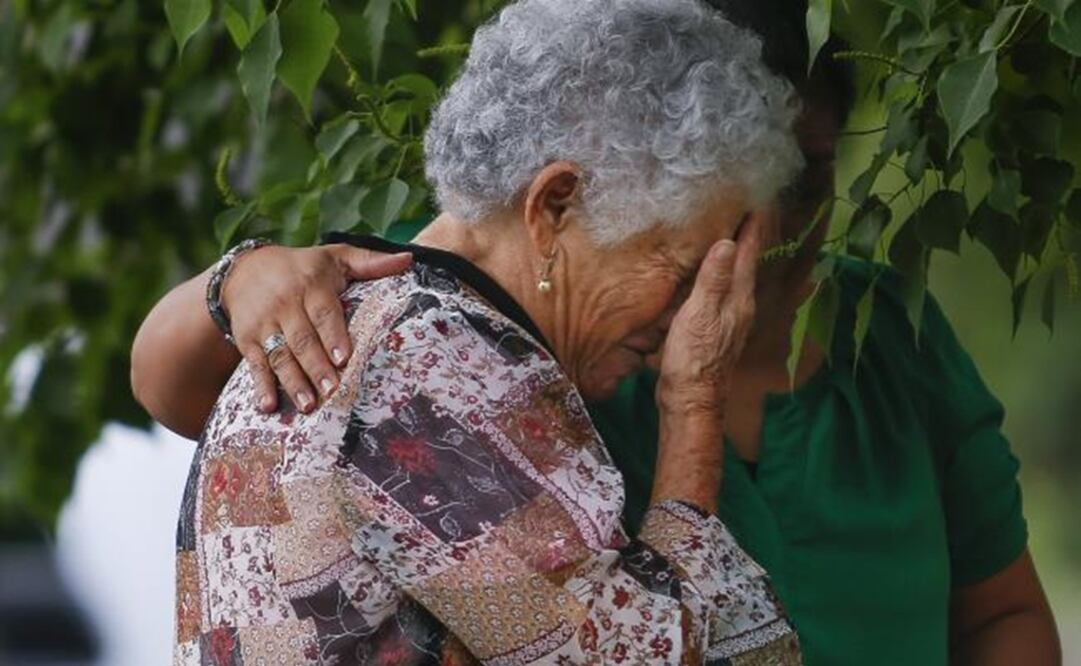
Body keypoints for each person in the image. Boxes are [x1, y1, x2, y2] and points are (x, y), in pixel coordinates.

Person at [132, 2, 1063, 666]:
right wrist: (693, 405)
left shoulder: (395, 321)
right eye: (686, 259)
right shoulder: (440, 372)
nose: (705, 307)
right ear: (556, 205)